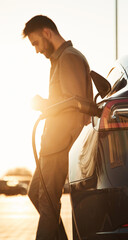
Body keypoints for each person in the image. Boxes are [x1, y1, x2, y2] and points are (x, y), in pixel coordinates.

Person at [22, 15, 93, 240]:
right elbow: (66, 102)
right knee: (36, 193)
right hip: (52, 144)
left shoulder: (69, 58)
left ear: (46, 33)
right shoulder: (60, 60)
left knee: (48, 202)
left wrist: (42, 104)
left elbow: (75, 105)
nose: (36, 50)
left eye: (35, 43)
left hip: (59, 145)